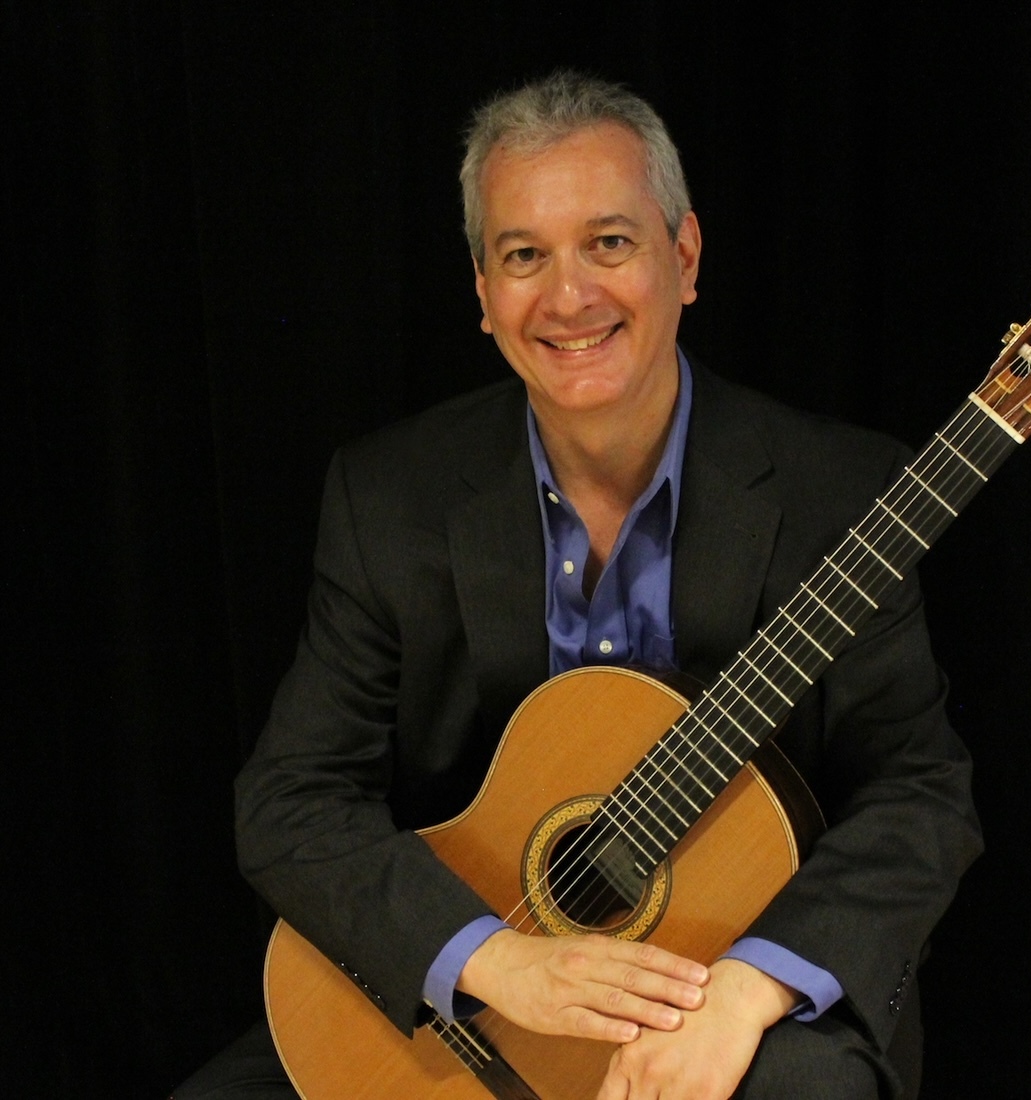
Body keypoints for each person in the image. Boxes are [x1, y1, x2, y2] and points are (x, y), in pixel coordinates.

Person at [175, 70, 982, 1100]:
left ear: (682, 258)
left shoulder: (839, 492)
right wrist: (494, 960)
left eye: (608, 242)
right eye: (523, 256)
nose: (567, 296)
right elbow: (288, 801)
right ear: (481, 294)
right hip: (475, 1003)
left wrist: (748, 990)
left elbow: (919, 792)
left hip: (727, 992)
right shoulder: (392, 497)